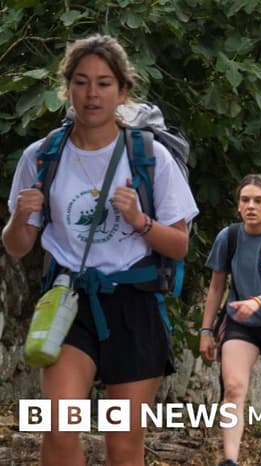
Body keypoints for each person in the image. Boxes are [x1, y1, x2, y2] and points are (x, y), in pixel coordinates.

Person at [2, 34, 198, 466]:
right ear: (67, 87)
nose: (92, 94)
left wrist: (140, 221)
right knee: (58, 424)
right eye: (82, 81)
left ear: (123, 91)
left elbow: (180, 245)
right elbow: (18, 246)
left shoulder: (149, 157)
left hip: (135, 302)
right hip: (68, 301)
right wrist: (19, 217)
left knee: (123, 445)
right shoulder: (42, 157)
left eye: (105, 83)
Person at [199, 174, 261, 466]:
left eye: (258, 200)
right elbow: (216, 287)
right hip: (239, 324)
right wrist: (206, 330)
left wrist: (257, 302)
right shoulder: (228, 237)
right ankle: (230, 460)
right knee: (233, 389)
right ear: (238, 206)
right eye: (245, 200)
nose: (251, 206)